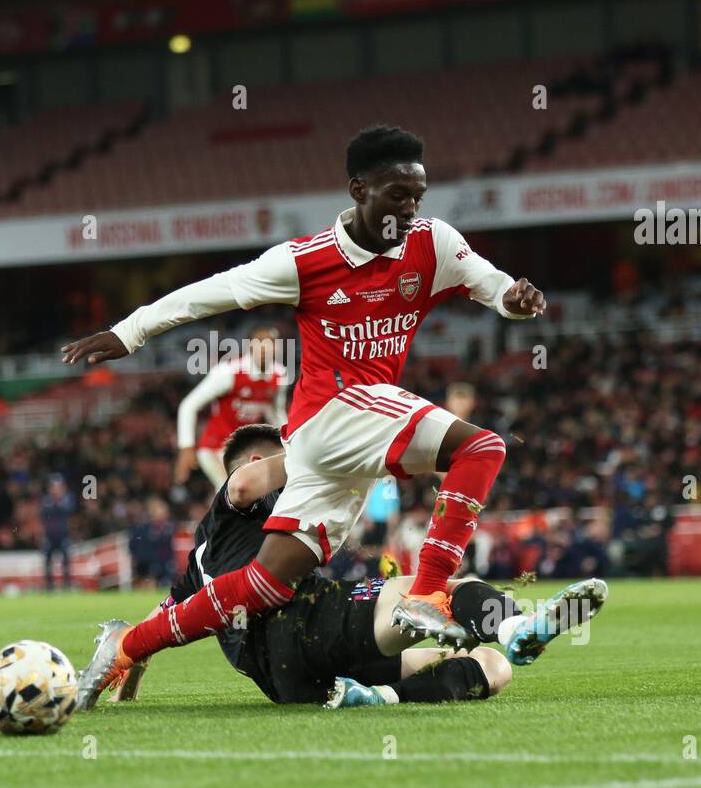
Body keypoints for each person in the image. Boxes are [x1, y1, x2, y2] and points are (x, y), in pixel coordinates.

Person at [63, 125, 546, 706]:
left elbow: (490, 284)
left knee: (268, 582)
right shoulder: (304, 261)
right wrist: (128, 331)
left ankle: (125, 646)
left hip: (342, 441)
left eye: (418, 195)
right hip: (333, 412)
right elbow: (208, 292)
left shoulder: (433, 242)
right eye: (397, 194)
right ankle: (428, 593)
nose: (411, 209)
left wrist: (511, 302)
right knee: (482, 448)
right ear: (358, 189)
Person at [105, 424, 606, 708]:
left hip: (289, 683)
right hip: (301, 624)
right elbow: (241, 486)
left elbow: (164, 617)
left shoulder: (199, 561)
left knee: (491, 671)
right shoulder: (236, 503)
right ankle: (518, 625)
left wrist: (132, 662)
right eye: (274, 461)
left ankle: (377, 696)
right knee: (449, 587)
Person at [174, 324, 288, 489]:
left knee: (245, 498)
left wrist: (288, 443)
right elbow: (188, 405)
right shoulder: (228, 372)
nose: (265, 347)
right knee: (230, 492)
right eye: (259, 341)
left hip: (245, 450)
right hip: (215, 447)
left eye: (270, 342)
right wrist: (186, 448)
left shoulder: (280, 376)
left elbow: (275, 413)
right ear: (250, 346)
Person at [40, 475, 75, 591]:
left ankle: (67, 585)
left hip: (63, 535)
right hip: (50, 536)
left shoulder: (67, 499)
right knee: (47, 561)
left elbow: (68, 510)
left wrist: (57, 502)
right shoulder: (46, 500)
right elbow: (44, 514)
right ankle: (49, 586)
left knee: (66, 560)